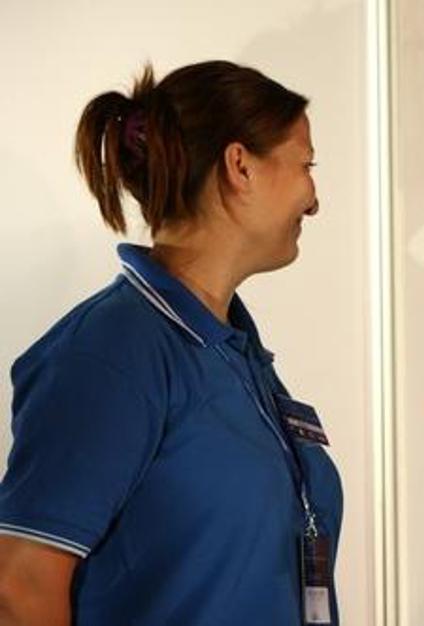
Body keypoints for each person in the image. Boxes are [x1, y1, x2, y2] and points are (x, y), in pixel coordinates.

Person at [0, 61, 342, 625]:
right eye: (306, 165)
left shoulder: (235, 352)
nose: (314, 200)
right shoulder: (109, 354)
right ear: (240, 166)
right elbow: (21, 589)